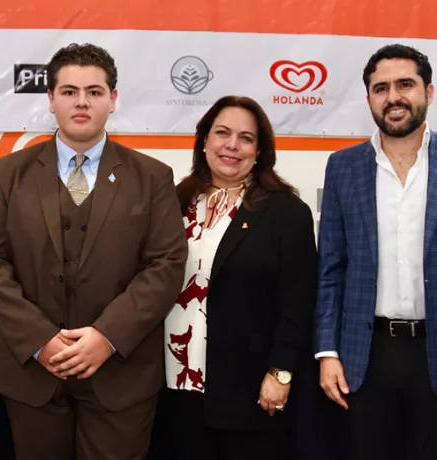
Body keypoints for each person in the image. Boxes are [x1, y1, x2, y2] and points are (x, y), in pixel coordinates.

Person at [0, 43, 188, 460]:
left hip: (120, 374)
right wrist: (40, 340)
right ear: (50, 100)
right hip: (30, 372)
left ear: (113, 99)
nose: (82, 101)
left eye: (94, 91)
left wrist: (107, 337)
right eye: (69, 91)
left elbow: (166, 264)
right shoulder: (5, 174)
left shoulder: (153, 177)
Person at [313, 44, 437, 460]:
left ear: (429, 92)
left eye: (406, 84)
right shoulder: (342, 167)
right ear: (368, 98)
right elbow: (331, 267)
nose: (394, 97)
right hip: (365, 357)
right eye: (380, 88)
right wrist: (327, 352)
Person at [152, 96, 319, 459]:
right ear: (205, 141)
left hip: (249, 391)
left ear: (259, 151)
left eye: (245, 138)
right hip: (172, 385)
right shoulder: (173, 201)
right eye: (222, 133)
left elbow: (298, 301)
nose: (232, 145)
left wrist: (281, 373)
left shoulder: (286, 212)